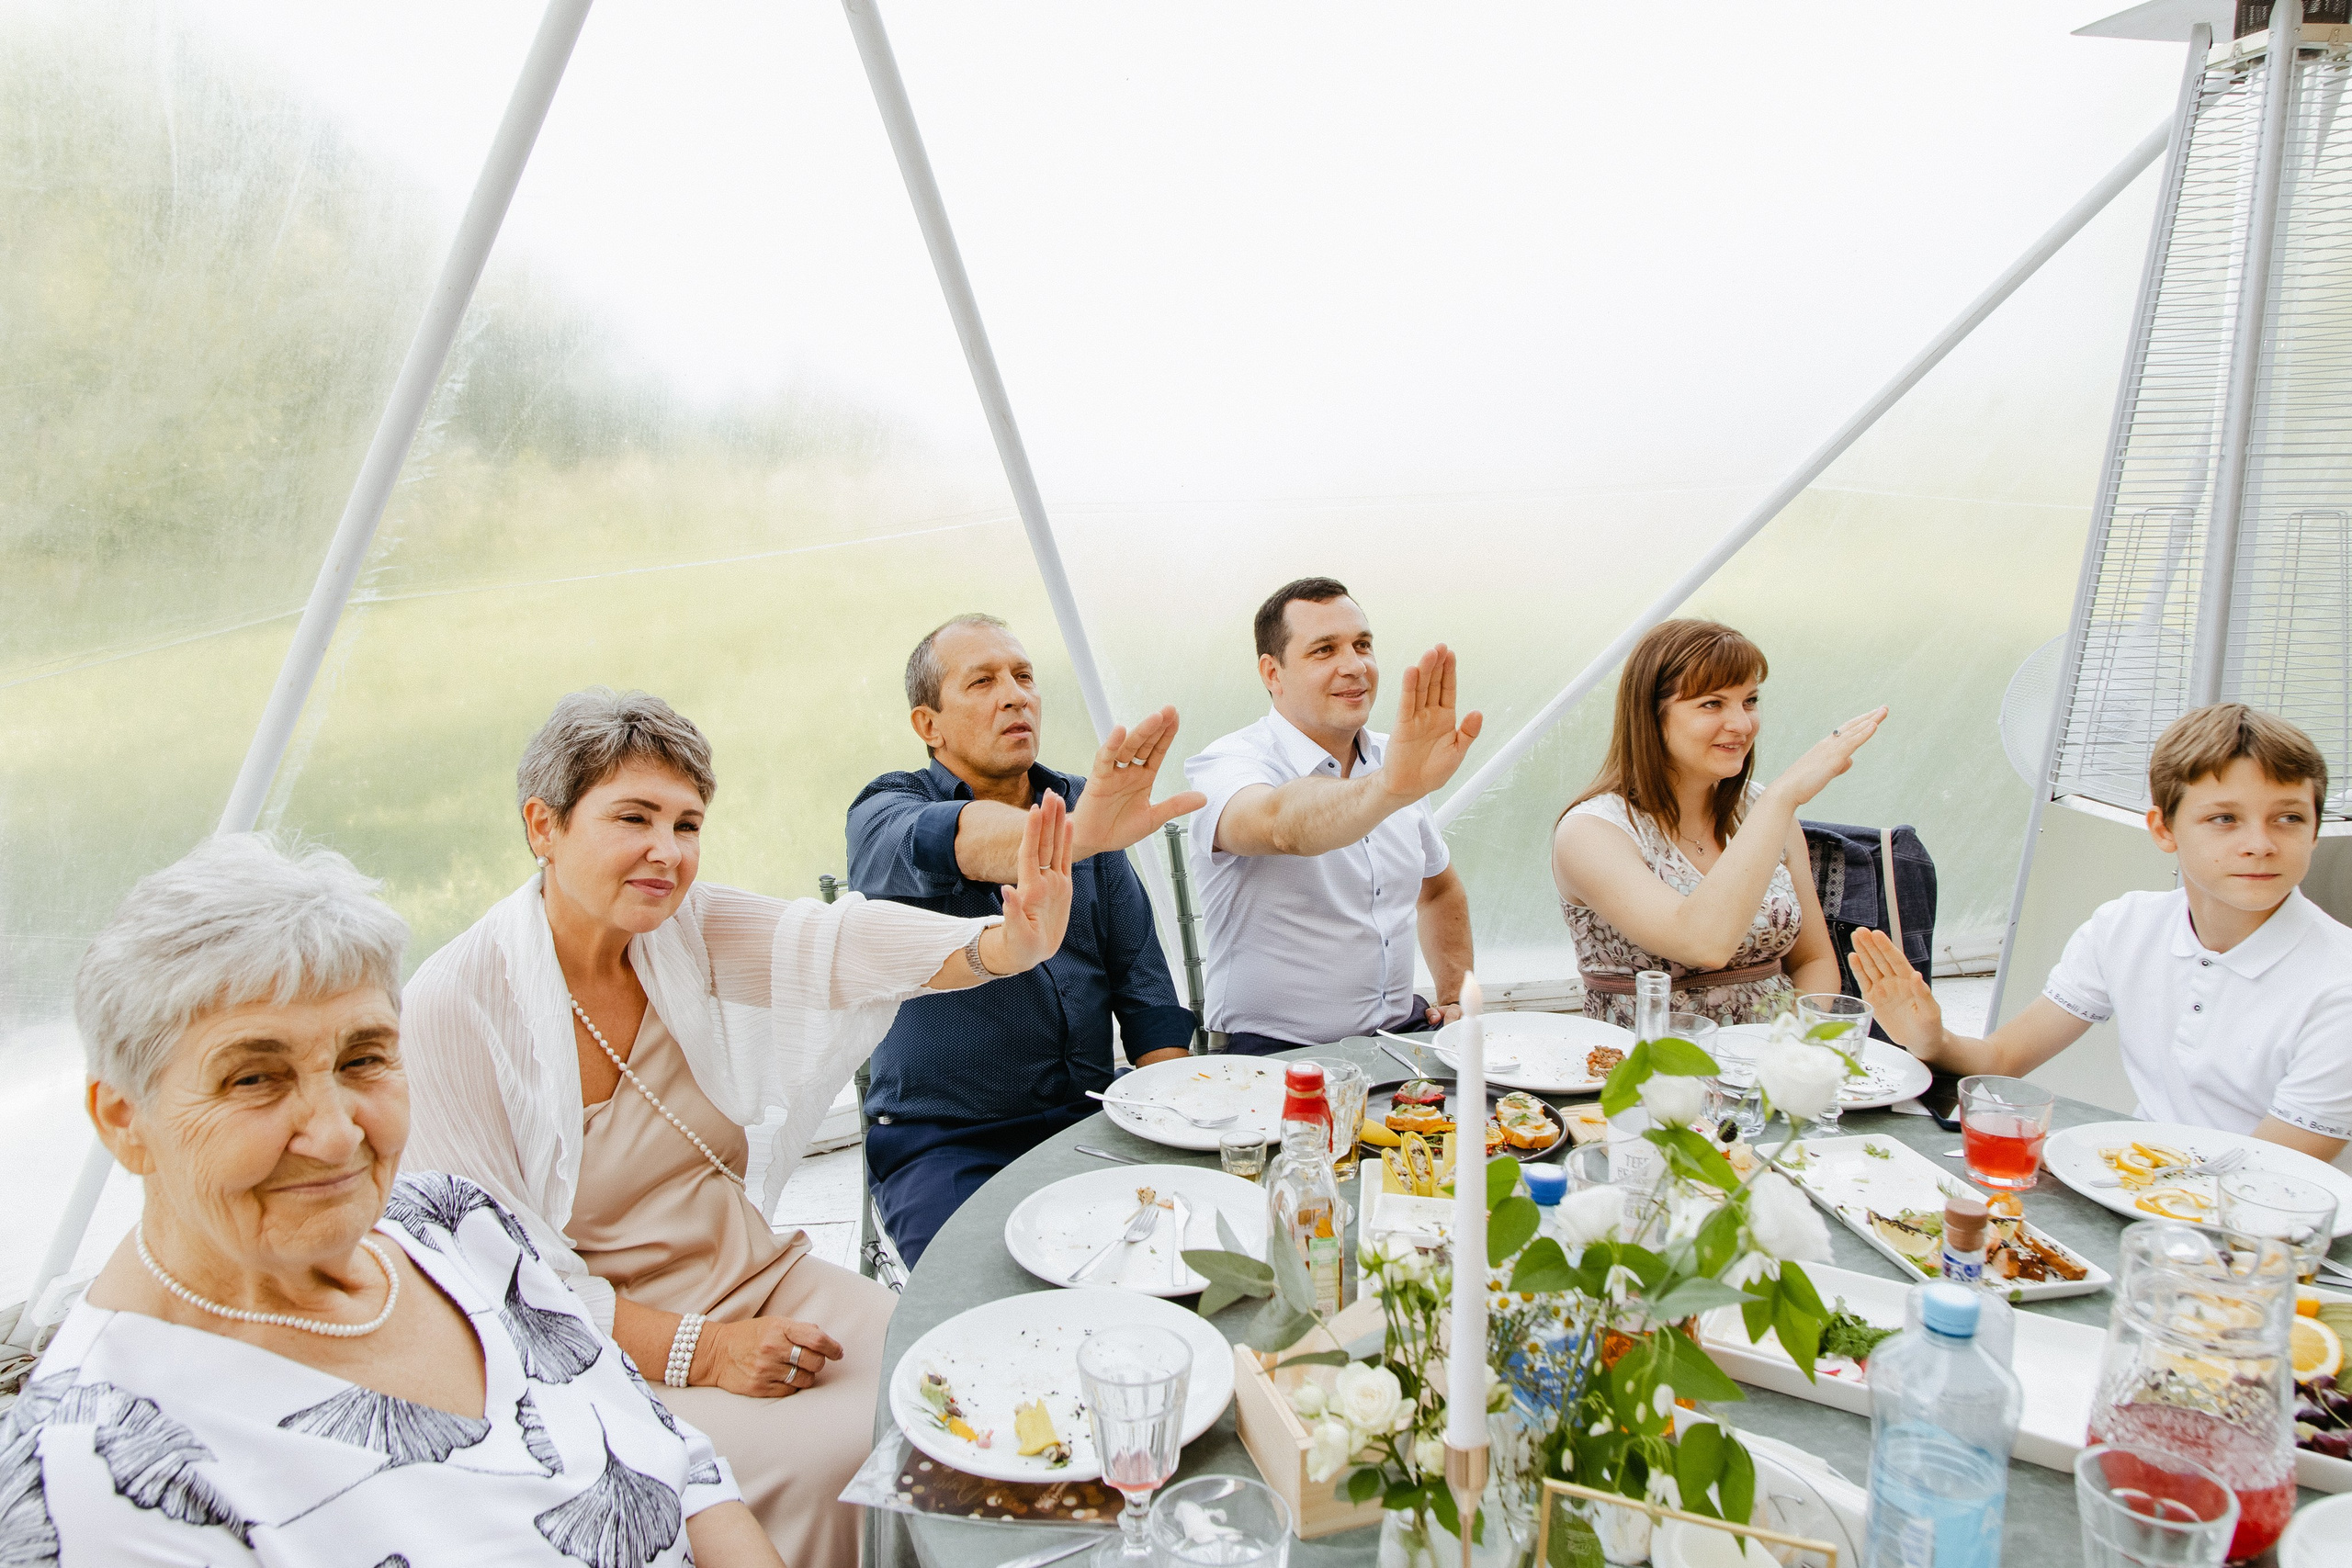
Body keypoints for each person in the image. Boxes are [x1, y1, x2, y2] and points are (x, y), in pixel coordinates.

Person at [401, 688, 1074, 1568]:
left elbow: (833, 942)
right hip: (612, 1344)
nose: (666, 852)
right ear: (544, 826)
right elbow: (495, 1279)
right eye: (633, 817)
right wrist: (705, 1350)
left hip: (762, 1276)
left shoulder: (679, 926)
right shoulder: (453, 1006)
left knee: (958, 1372)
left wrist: (1004, 945)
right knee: (840, 1458)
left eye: (687, 824)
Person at [0, 834, 781, 1567]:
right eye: (253, 1077)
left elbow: (682, 1466)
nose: (337, 1135)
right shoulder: (93, 1471)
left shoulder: (453, 1226)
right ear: (122, 1118)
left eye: (362, 1056)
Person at [847, 614, 1203, 1266]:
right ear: (928, 725)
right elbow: (957, 839)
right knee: (981, 1299)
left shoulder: (1083, 805)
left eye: (1024, 676)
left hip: (1091, 1119)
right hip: (945, 1145)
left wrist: (1177, 1137)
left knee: (1185, 1261)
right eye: (982, 681)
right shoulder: (882, 815)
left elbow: (1145, 994)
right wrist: (1079, 835)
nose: (1014, 694)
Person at [1855, 703, 2352, 1162]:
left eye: (2289, 817)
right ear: (2163, 829)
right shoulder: (2127, 926)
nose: (2260, 844)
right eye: (2224, 818)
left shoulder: (2339, 982)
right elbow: (2004, 1057)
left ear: (2314, 829)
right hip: (2144, 1183)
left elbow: (2269, 1174)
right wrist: (1933, 1039)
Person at [1182, 577, 1479, 1055]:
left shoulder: (1397, 756)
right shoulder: (1228, 764)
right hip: (1273, 1055)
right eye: (1324, 650)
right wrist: (1390, 787)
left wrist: (1454, 996)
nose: (1355, 666)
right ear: (1272, 673)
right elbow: (1281, 825)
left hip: (1400, 1037)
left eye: (1363, 645)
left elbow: (1439, 888)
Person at [1550, 618, 1887, 1027]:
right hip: (1656, 1067)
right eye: (1712, 703)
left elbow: (1814, 959)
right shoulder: (1591, 831)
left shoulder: (1761, 807)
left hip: (1774, 1061)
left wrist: (1791, 1050)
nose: (1742, 725)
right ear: (1651, 716)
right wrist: (1783, 796)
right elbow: (1702, 944)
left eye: (1749, 701)